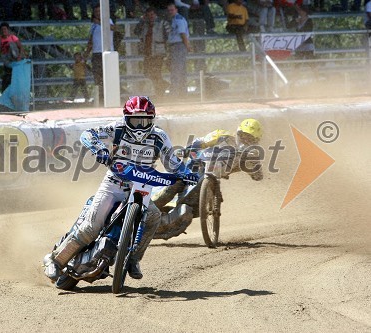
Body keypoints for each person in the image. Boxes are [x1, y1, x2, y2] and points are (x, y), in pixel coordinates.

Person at [43, 96, 198, 281]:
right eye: (135, 120)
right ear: (126, 118)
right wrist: (99, 149)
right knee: (91, 227)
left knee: (154, 217)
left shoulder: (160, 137)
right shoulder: (116, 128)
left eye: (145, 121)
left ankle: (133, 259)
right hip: (114, 184)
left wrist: (187, 173)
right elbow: (88, 134)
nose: (140, 126)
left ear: (153, 119)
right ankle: (55, 261)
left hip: (142, 187)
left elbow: (173, 163)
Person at [153, 119, 264, 240]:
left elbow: (257, 174)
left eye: (250, 139)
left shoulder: (250, 157)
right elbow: (202, 141)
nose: (245, 140)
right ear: (237, 133)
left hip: (212, 180)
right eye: (243, 135)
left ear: (256, 142)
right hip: (196, 165)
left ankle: (160, 226)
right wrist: (187, 149)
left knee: (185, 214)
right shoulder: (223, 135)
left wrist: (256, 172)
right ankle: (148, 205)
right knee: (174, 183)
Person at [134, 7, 170, 95]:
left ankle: (159, 92)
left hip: (158, 52)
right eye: (148, 15)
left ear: (155, 14)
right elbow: (136, 31)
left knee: (156, 72)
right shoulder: (144, 24)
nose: (151, 16)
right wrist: (141, 20)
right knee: (148, 73)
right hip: (147, 52)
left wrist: (168, 51)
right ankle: (163, 85)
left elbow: (169, 36)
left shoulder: (162, 23)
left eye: (152, 14)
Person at [84, 4, 115, 104]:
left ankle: (109, 98)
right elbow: (91, 41)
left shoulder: (108, 20)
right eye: (96, 12)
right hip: (96, 54)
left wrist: (101, 23)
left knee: (107, 77)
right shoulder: (93, 25)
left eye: (99, 11)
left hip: (106, 52)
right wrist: (86, 54)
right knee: (98, 77)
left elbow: (113, 28)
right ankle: (100, 98)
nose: (97, 13)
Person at [167, 3, 192, 97]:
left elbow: (182, 34)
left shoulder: (179, 20)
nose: (170, 12)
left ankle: (175, 93)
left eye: (172, 10)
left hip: (179, 45)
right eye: (169, 10)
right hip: (176, 45)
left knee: (176, 70)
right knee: (180, 70)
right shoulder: (174, 19)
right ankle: (182, 93)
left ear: (176, 10)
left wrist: (187, 45)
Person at [0, 22, 26, 92]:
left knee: (10, 44)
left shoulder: (13, 37)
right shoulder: (1, 39)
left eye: (5, 29)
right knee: (8, 77)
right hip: (6, 59)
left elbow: (21, 47)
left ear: (8, 30)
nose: (4, 31)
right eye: (2, 30)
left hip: (14, 57)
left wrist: (19, 57)